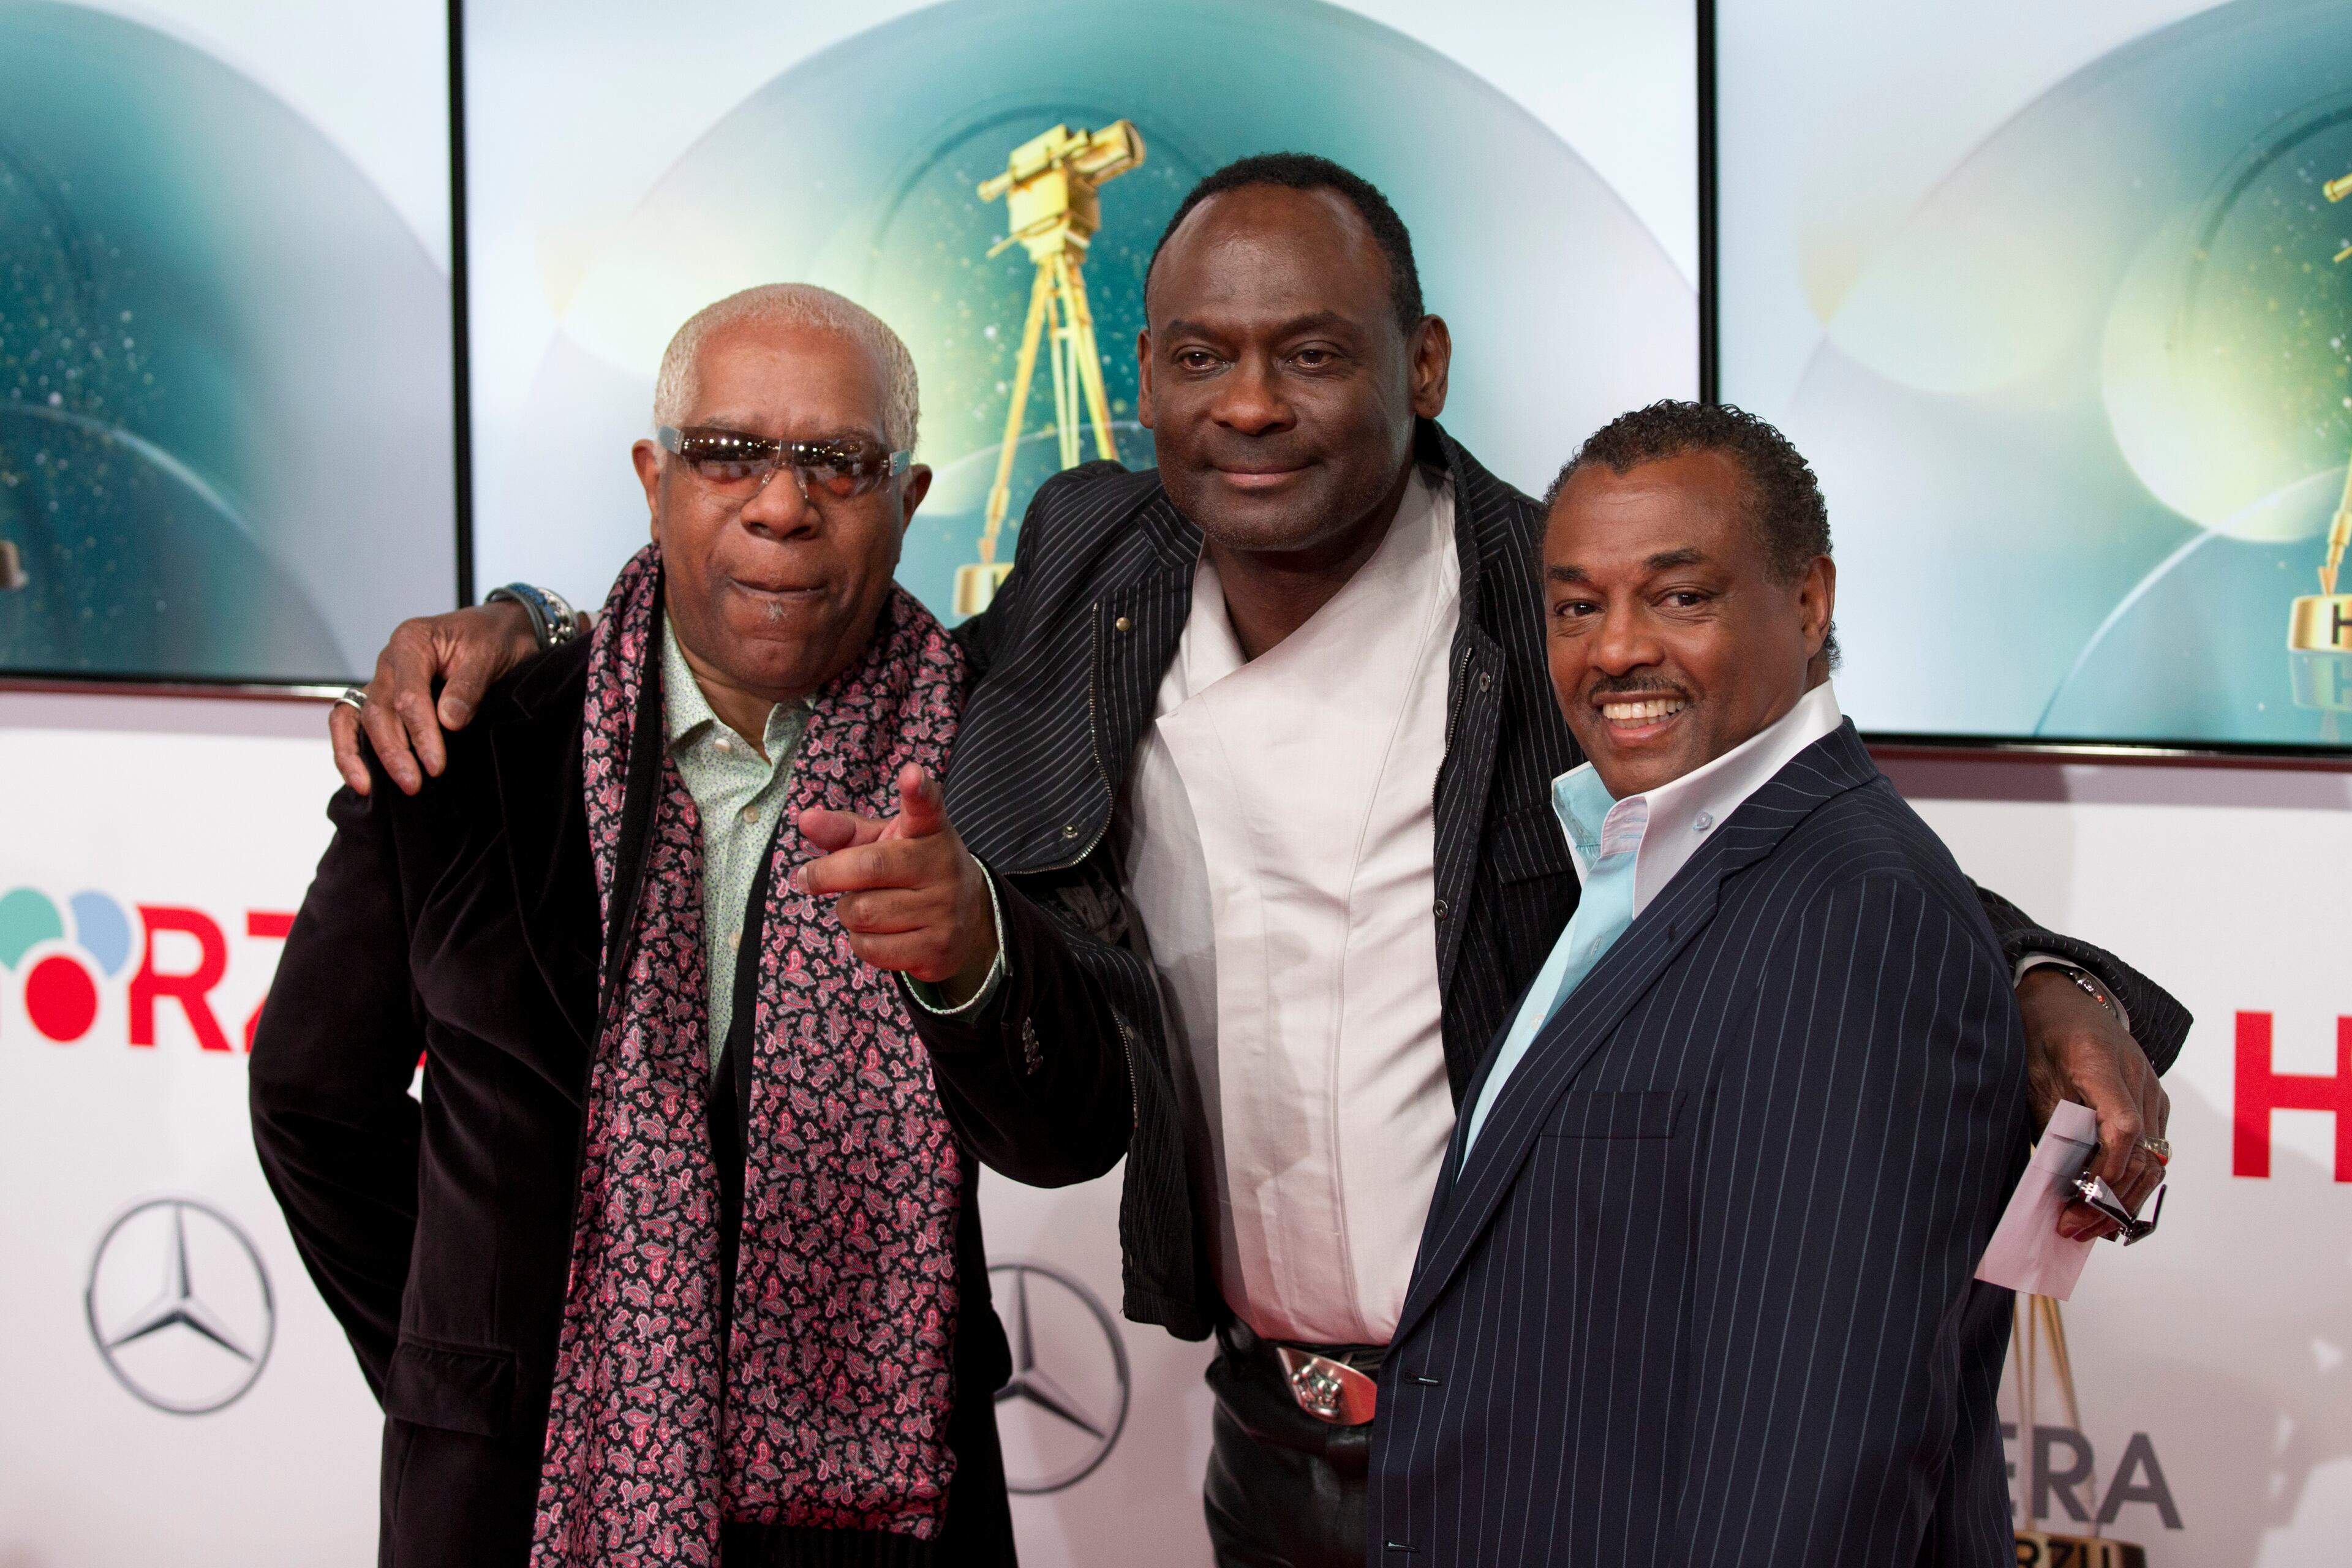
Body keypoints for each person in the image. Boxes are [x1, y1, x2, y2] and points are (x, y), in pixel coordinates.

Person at [331, 156, 2184, 1566]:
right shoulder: (1094, 563)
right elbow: (834, 639)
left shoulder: (1546, 602)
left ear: (1423, 363)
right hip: (1262, 1447)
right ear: (1141, 378)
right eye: (1201, 357)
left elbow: (1781, 821)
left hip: (1546, 1447)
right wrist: (531, 626)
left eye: (1312, 353)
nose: (1251, 405)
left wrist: (2042, 982)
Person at [250, 285, 1016, 1567]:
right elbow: (312, 1099)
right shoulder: (462, 743)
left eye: (838, 461)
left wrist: (981, 951)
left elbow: (1077, 1117)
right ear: (655, 478)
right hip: (514, 1499)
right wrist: (479, 1374)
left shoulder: (993, 758)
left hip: (884, 1510)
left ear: (910, 495)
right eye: (728, 454)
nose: (782, 503)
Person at [1367, 401, 2034, 1564]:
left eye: (1680, 597)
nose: (1615, 648)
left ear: (1810, 602)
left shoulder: (1854, 921)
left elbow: (1815, 1467)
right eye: (1578, 606)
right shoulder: (1637, 864)